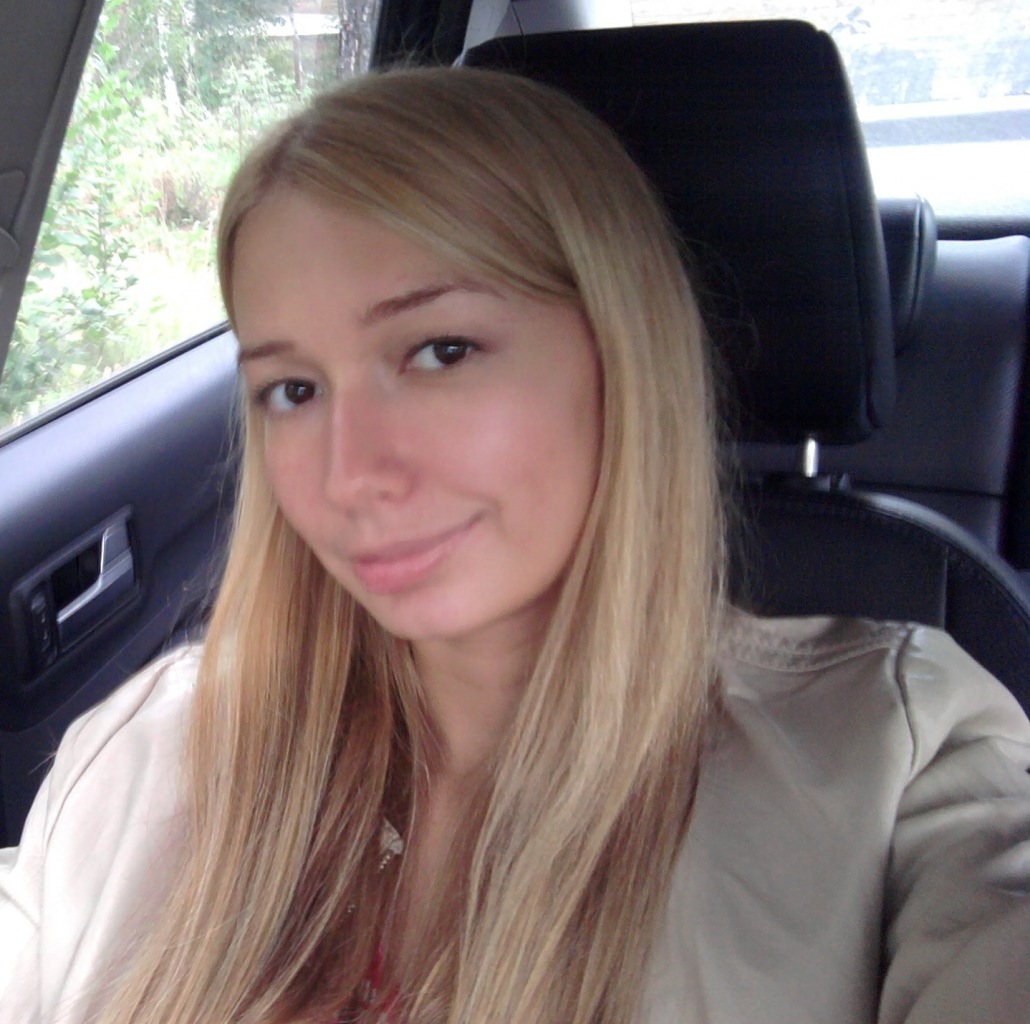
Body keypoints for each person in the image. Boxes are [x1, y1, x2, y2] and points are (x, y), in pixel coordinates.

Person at [2, 66, 1029, 1024]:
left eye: (440, 351)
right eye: (294, 389)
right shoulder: (145, 751)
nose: (349, 475)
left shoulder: (896, 767)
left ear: (620, 352)